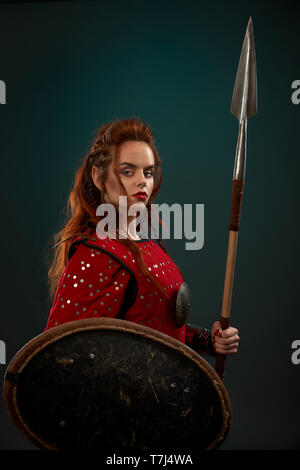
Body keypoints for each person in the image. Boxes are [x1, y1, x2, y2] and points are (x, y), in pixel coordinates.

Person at [45, 118, 239, 358]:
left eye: (148, 172)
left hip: (162, 392)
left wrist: (208, 341)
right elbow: (61, 353)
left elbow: (156, 327)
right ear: (98, 177)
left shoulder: (147, 243)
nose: (142, 181)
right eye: (128, 171)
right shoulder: (97, 255)